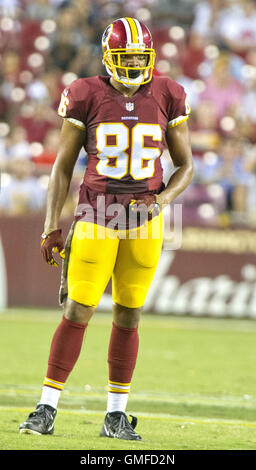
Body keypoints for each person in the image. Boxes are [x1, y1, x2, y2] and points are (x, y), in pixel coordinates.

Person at [19, 17, 193, 440]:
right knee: (78, 308)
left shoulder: (168, 92)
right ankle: (46, 408)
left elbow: (186, 167)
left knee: (130, 313)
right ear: (109, 57)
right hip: (98, 213)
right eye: (126, 56)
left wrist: (161, 201)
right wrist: (50, 227)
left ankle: (116, 415)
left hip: (143, 220)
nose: (133, 63)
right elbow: (62, 168)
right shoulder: (85, 93)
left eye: (139, 56)